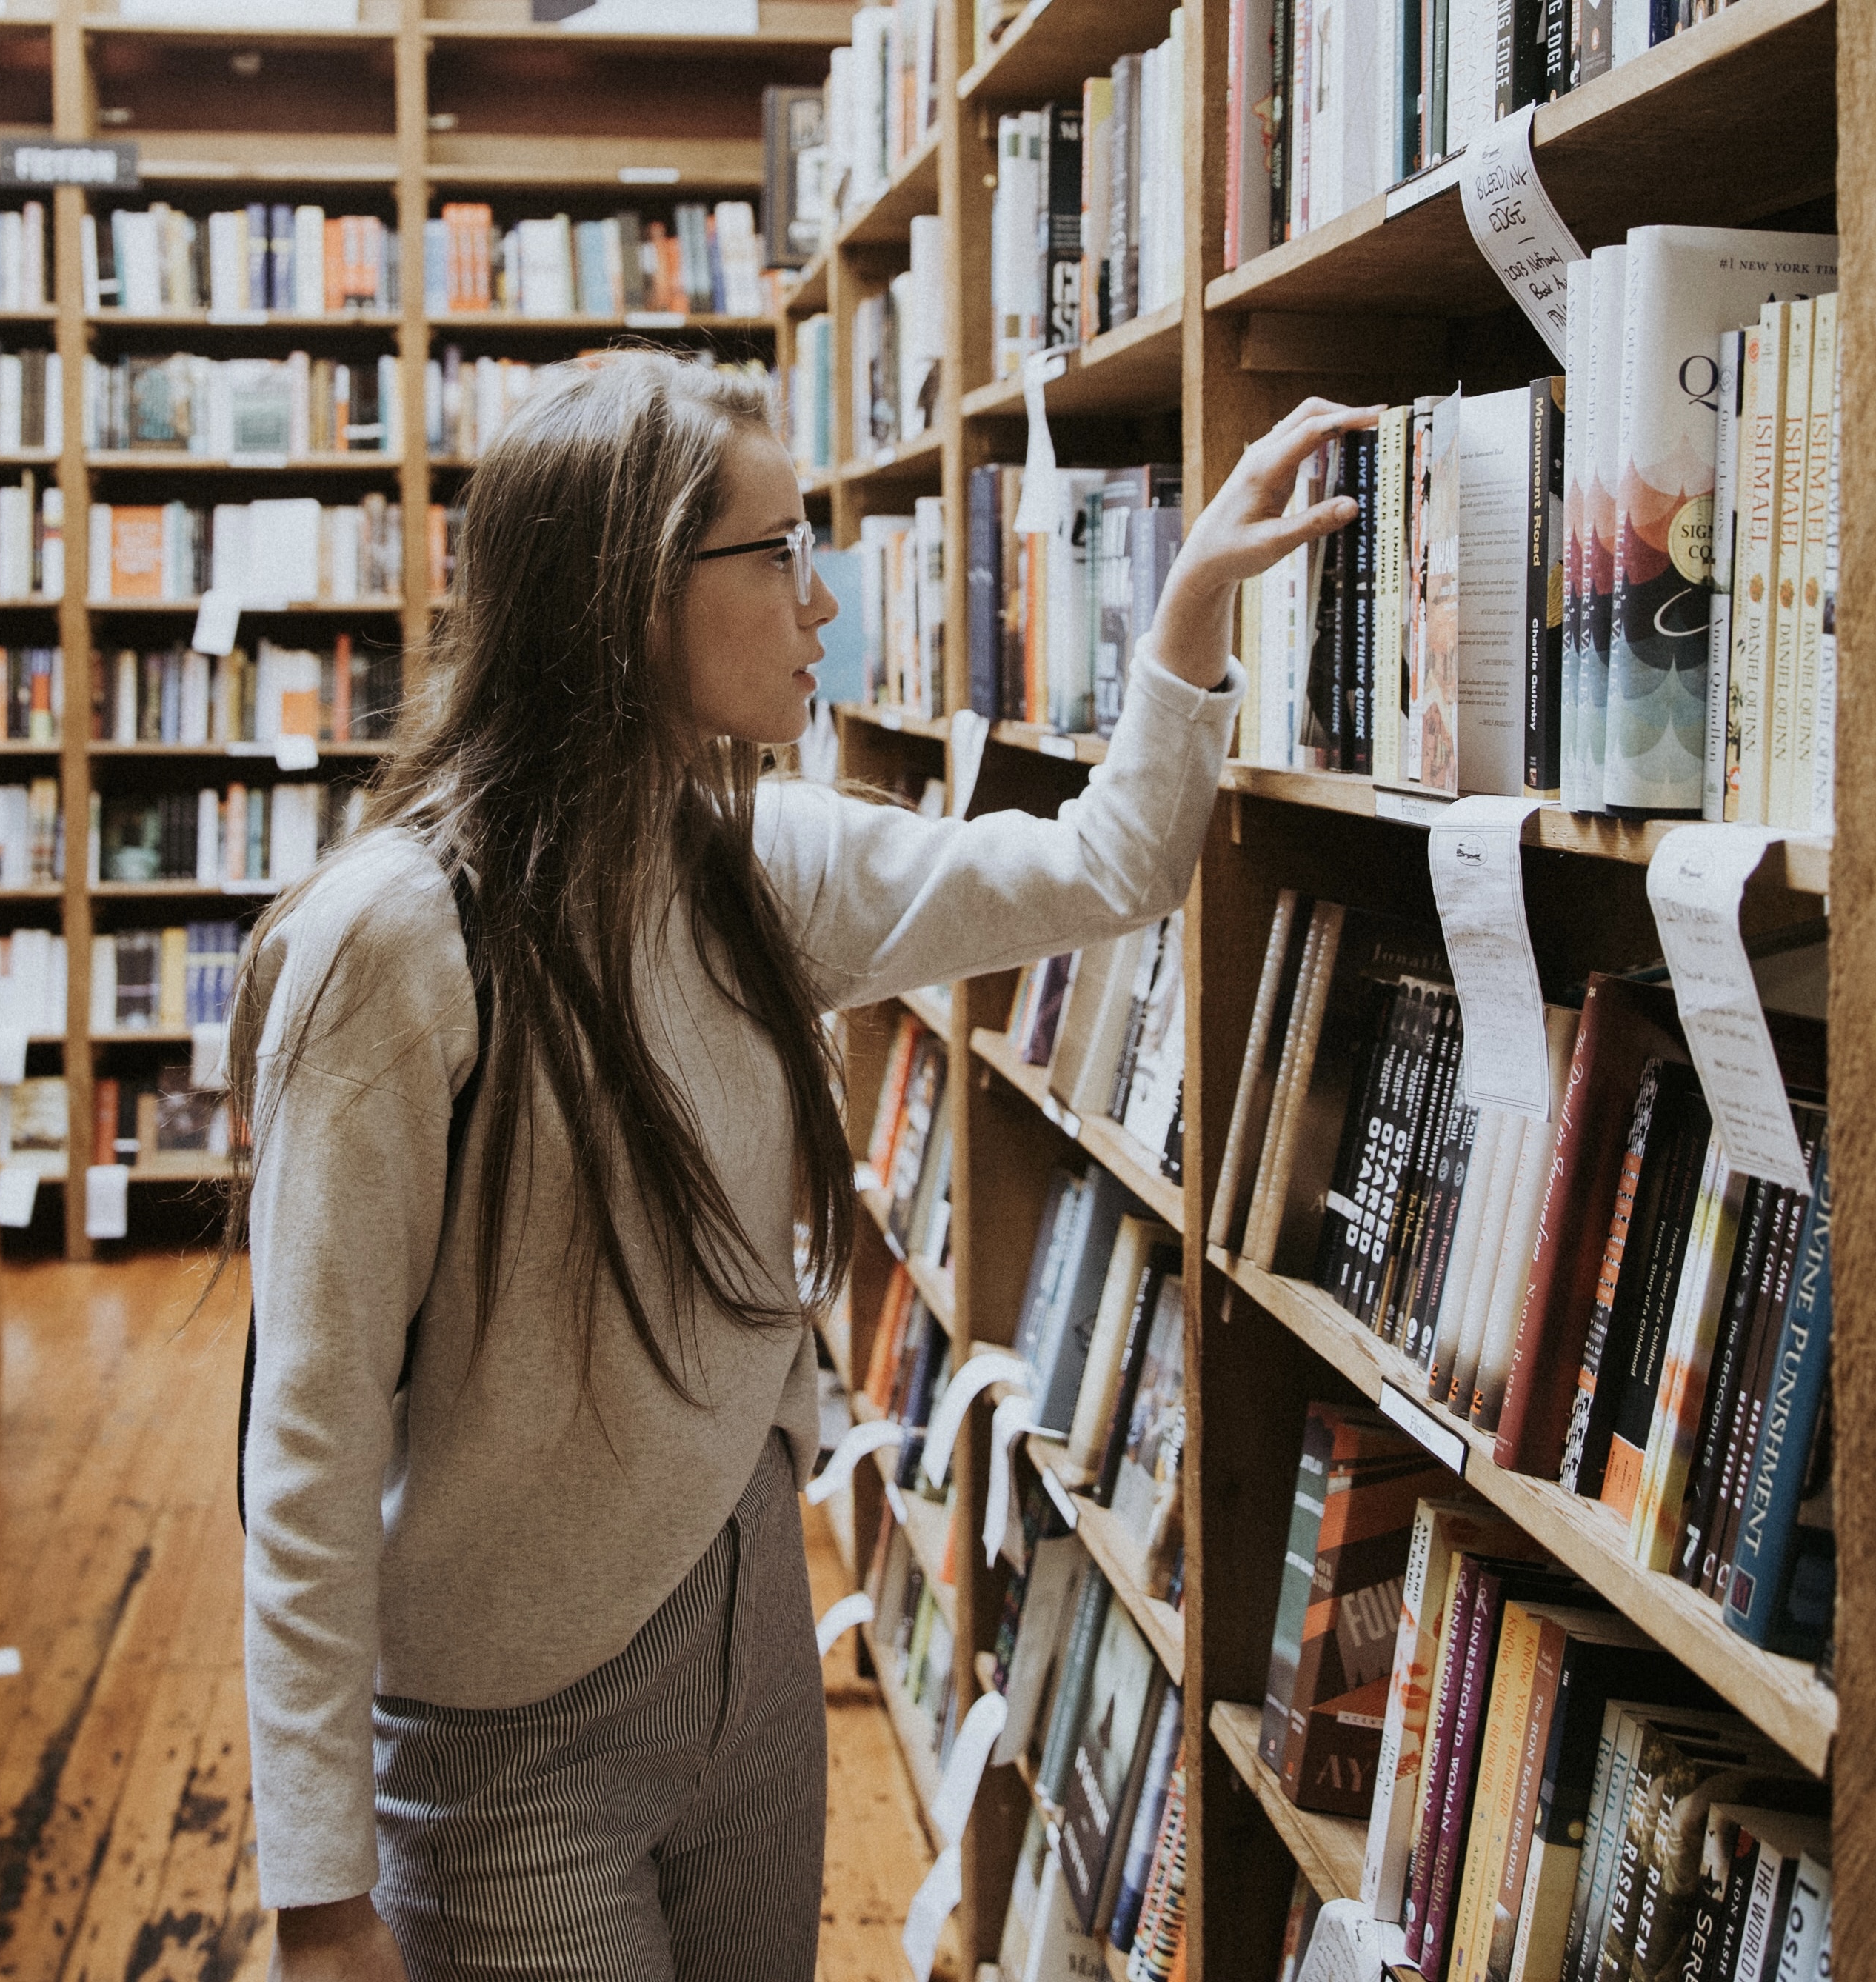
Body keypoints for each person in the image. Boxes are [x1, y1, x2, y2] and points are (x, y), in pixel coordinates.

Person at [235, 352, 1371, 1982]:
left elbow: (1108, 865)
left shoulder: (762, 864)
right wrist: (317, 1893)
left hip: (748, 1638)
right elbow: (314, 1427)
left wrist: (1185, 623)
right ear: (636, 599)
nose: (823, 598)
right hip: (505, 1735)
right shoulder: (396, 946)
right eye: (777, 552)